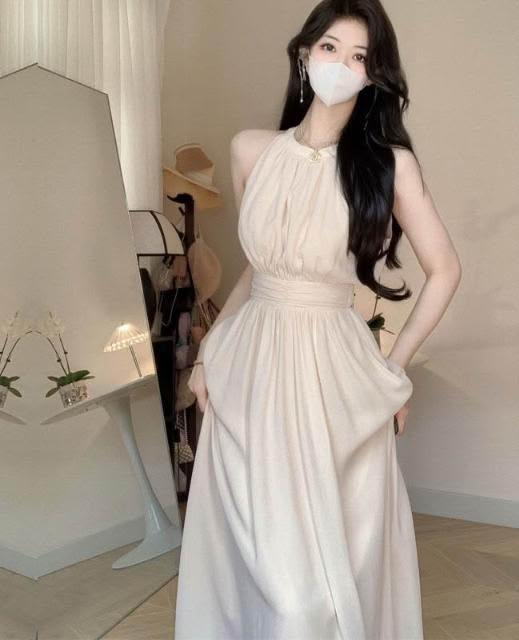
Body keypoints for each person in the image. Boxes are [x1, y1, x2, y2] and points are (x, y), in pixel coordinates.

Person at [174, 1, 461, 637]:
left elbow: (445, 269)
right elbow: (259, 270)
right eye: (330, 48)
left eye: (359, 57)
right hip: (250, 366)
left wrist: (394, 373)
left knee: (318, 585)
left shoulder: (388, 165)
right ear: (305, 54)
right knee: (256, 559)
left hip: (332, 371)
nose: (340, 65)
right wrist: (209, 355)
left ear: (373, 74)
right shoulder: (251, 150)